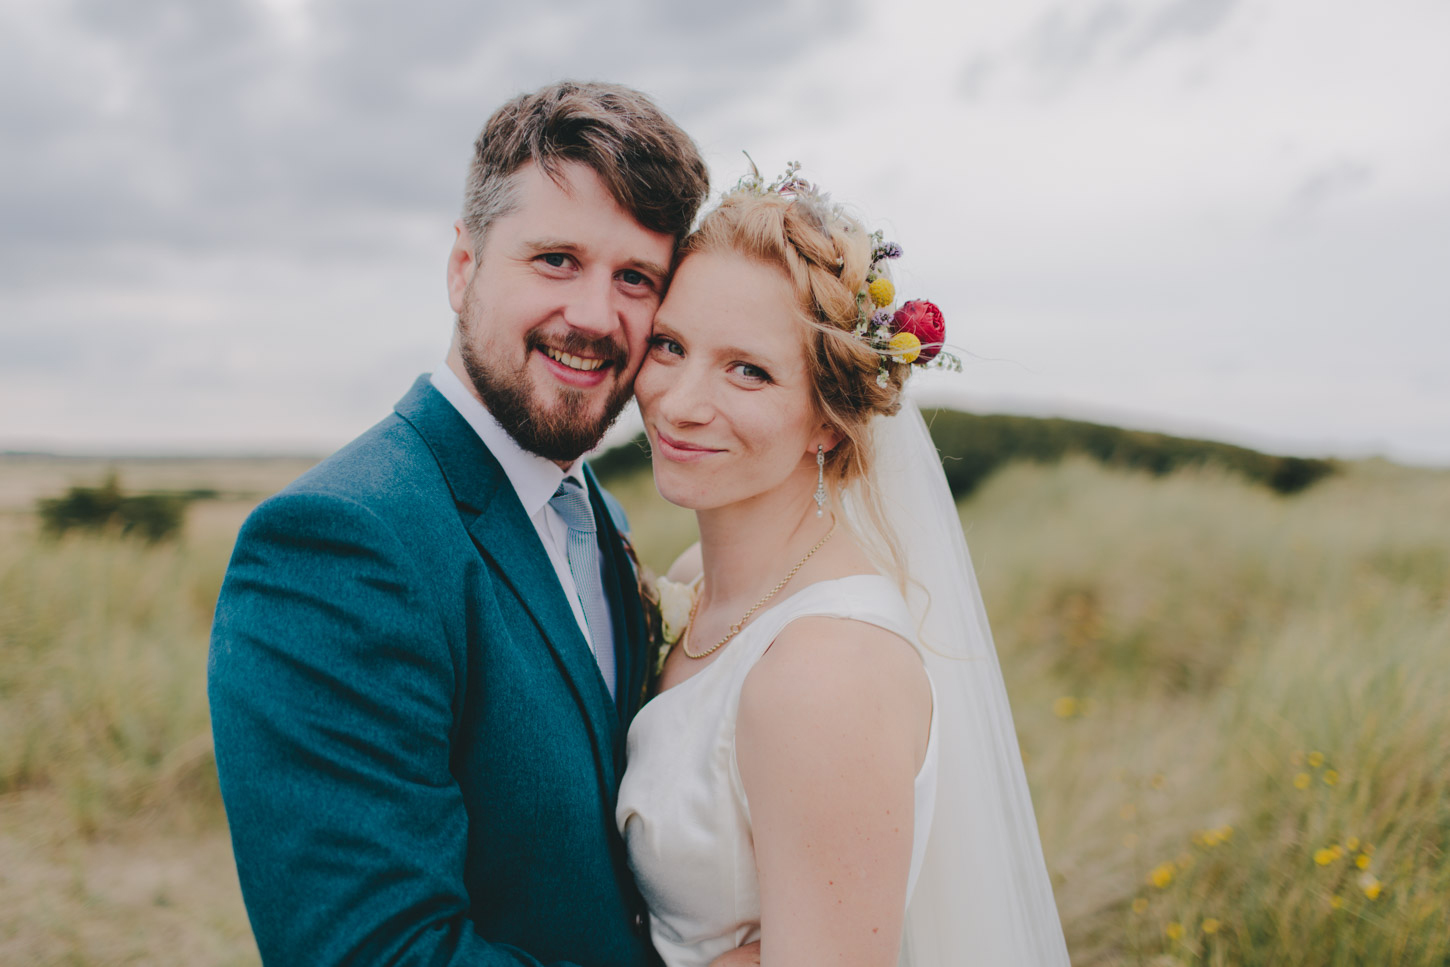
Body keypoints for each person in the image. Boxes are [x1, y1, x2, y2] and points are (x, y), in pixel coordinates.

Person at [208, 81, 710, 966]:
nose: (596, 316)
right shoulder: (338, 544)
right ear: (463, 267)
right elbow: (380, 951)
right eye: (555, 259)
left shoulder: (601, 515)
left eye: (636, 278)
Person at [616, 170, 1072, 965]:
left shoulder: (825, 672)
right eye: (670, 345)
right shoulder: (697, 576)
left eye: (747, 370)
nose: (681, 401)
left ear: (828, 421)